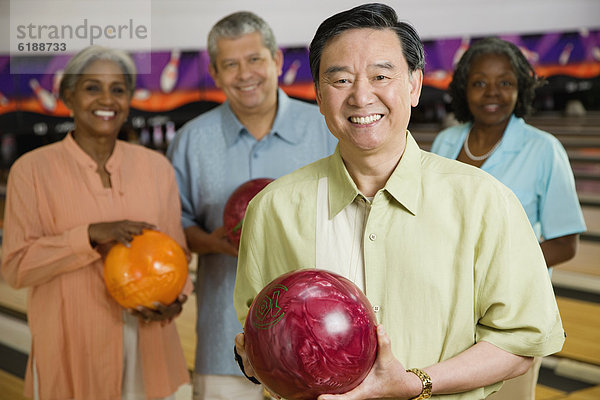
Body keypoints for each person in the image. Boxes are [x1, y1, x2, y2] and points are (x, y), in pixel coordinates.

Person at [233, 4, 565, 400]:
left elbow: (520, 342)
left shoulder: (484, 201)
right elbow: (259, 334)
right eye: (340, 79)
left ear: (413, 85)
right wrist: (256, 361)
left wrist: (415, 383)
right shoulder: (273, 209)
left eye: (381, 75)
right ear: (319, 96)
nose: (361, 95)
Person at [1, 46, 191, 400]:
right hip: (72, 345)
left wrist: (176, 299)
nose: (107, 99)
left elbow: (176, 251)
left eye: (118, 89)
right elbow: (15, 268)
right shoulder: (31, 171)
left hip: (147, 343)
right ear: (68, 96)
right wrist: (88, 236)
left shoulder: (157, 169)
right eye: (92, 88)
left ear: (129, 99)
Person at [166, 11, 337, 400]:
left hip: (318, 343)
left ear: (276, 60)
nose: (245, 73)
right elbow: (175, 224)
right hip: (224, 342)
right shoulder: (191, 142)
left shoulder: (327, 128)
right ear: (215, 72)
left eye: (255, 59)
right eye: (231, 64)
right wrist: (213, 242)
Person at [430, 37, 586, 400]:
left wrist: (495, 270)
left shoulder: (544, 149)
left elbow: (566, 243)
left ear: (521, 88)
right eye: (480, 82)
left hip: (511, 312)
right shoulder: (445, 142)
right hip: (448, 306)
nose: (492, 93)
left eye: (505, 82)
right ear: (463, 89)